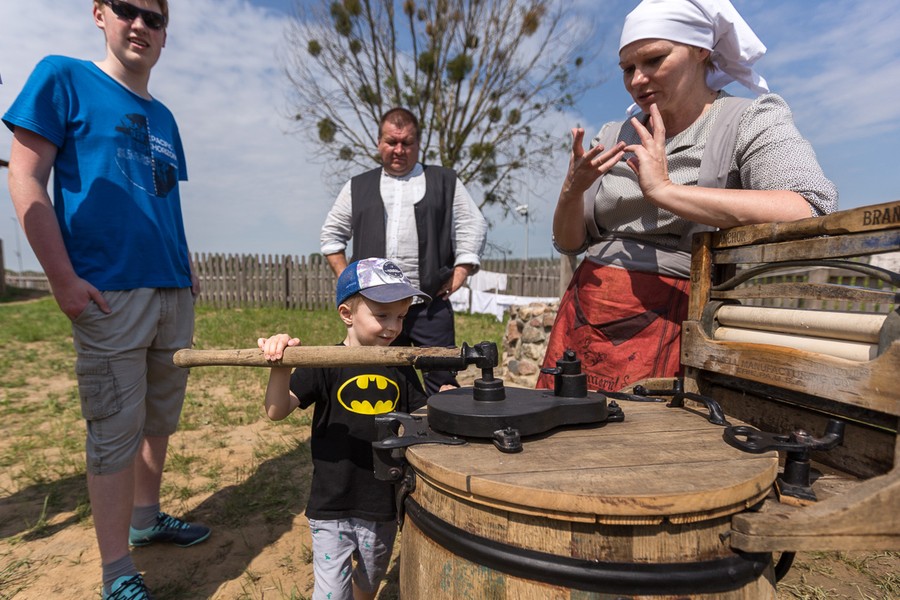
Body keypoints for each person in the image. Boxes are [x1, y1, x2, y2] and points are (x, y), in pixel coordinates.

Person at [4, 2, 209, 598]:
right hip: (108, 292)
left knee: (158, 418)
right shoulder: (62, 76)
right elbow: (24, 177)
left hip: (171, 289)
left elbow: (163, 198)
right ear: (100, 13)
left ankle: (146, 519)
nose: (140, 25)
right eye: (127, 9)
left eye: (155, 17)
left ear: (166, 34)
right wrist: (62, 279)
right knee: (115, 429)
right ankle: (117, 571)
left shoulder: (164, 117)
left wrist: (184, 260)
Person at [536, 0, 838, 392]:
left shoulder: (746, 121)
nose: (637, 79)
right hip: (585, 314)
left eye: (653, 60)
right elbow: (570, 243)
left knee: (649, 430)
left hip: (678, 319)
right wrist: (571, 191)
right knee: (559, 424)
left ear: (700, 51)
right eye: (627, 68)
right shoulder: (613, 136)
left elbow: (807, 208)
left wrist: (665, 191)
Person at [257, 258, 435, 600]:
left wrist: (445, 400)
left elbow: (421, 415)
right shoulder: (325, 362)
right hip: (332, 502)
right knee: (331, 594)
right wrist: (280, 366)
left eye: (401, 317)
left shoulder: (400, 366)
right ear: (346, 314)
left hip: (382, 501)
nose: (393, 327)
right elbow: (277, 410)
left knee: (368, 583)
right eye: (382, 315)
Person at [320, 107, 488, 395]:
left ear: (418, 144)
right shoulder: (357, 186)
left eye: (407, 143)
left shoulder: (445, 181)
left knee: (442, 380)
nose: (398, 150)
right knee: (378, 381)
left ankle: (441, 424)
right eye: (391, 142)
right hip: (375, 311)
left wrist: (462, 270)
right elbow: (331, 235)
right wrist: (348, 280)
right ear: (379, 143)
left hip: (430, 305)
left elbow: (473, 224)